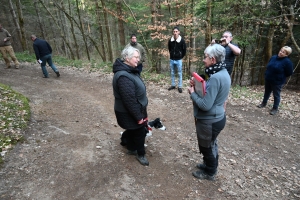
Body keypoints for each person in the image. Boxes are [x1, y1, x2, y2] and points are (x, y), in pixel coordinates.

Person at [188, 44, 231, 180]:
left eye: (205, 57)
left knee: (206, 147)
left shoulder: (216, 77)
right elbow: (213, 94)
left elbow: (206, 105)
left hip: (210, 119)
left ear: (213, 59)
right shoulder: (223, 72)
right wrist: (198, 85)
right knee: (211, 144)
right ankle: (209, 165)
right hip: (217, 117)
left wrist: (192, 92)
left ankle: (210, 172)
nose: (203, 59)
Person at [112, 46, 149, 166]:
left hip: (135, 109)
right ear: (127, 58)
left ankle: (131, 147)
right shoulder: (123, 76)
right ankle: (140, 153)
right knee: (139, 131)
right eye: (136, 57)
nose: (138, 59)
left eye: (139, 57)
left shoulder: (129, 70)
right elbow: (129, 100)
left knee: (134, 130)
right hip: (128, 111)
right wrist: (139, 117)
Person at [257, 46, 293, 115]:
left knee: (276, 95)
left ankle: (275, 108)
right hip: (268, 78)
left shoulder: (287, 62)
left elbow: (289, 73)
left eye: (283, 52)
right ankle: (263, 103)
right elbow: (268, 66)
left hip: (277, 82)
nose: (281, 52)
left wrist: (280, 76)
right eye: (281, 50)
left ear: (287, 54)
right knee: (267, 92)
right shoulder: (273, 57)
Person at [168, 26, 186, 93]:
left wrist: (181, 56)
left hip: (179, 59)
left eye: (176, 31)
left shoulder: (182, 40)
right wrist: (172, 54)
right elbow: (169, 49)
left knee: (179, 73)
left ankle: (180, 86)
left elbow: (184, 50)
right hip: (172, 59)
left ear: (179, 32)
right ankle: (173, 85)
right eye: (174, 31)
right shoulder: (170, 40)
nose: (175, 33)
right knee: (172, 73)